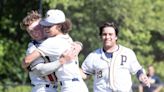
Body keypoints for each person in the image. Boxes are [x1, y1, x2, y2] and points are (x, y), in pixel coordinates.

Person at [22, 9, 88, 92]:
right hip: (42, 89)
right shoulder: (33, 48)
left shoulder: (55, 39)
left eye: (37, 28)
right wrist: (62, 61)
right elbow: (39, 69)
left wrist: (79, 45)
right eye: (30, 31)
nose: (35, 33)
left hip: (62, 87)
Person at [81, 21, 150, 92]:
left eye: (110, 34)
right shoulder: (93, 56)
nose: (107, 37)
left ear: (116, 36)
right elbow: (85, 74)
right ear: (101, 37)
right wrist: (72, 64)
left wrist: (141, 76)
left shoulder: (127, 53)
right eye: (104, 34)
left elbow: (137, 69)